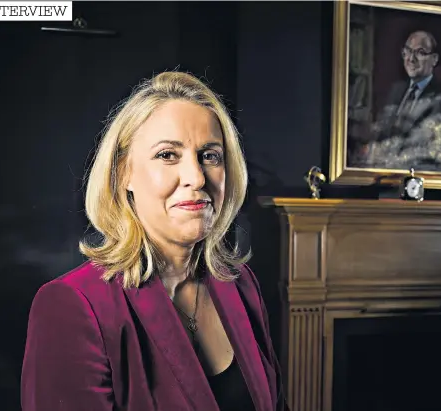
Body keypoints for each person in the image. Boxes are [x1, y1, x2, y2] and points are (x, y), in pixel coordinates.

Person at [21, 71, 289, 411]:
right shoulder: (72, 305)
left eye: (210, 155)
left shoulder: (240, 284)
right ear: (123, 174)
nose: (195, 177)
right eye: (167, 155)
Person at [350, 30, 441, 172]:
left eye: (420, 53)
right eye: (407, 51)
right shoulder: (396, 90)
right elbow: (386, 132)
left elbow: (434, 153)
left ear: (434, 59)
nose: (411, 58)